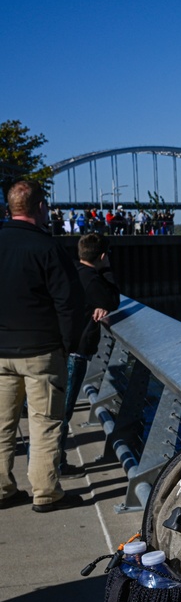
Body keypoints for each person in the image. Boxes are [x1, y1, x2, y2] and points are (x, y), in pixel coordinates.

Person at [0, 180, 85, 512]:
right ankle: (46, 493)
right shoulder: (48, 248)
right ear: (39, 207)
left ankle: (3, 489)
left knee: (2, 424)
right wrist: (67, 344)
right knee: (45, 423)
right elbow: (69, 303)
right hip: (41, 350)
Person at [59, 233, 120, 477]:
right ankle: (57, 465)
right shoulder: (92, 279)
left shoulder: (73, 271)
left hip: (62, 349)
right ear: (102, 256)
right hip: (76, 353)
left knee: (54, 411)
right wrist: (106, 271)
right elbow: (113, 298)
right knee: (63, 412)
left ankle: (51, 463)